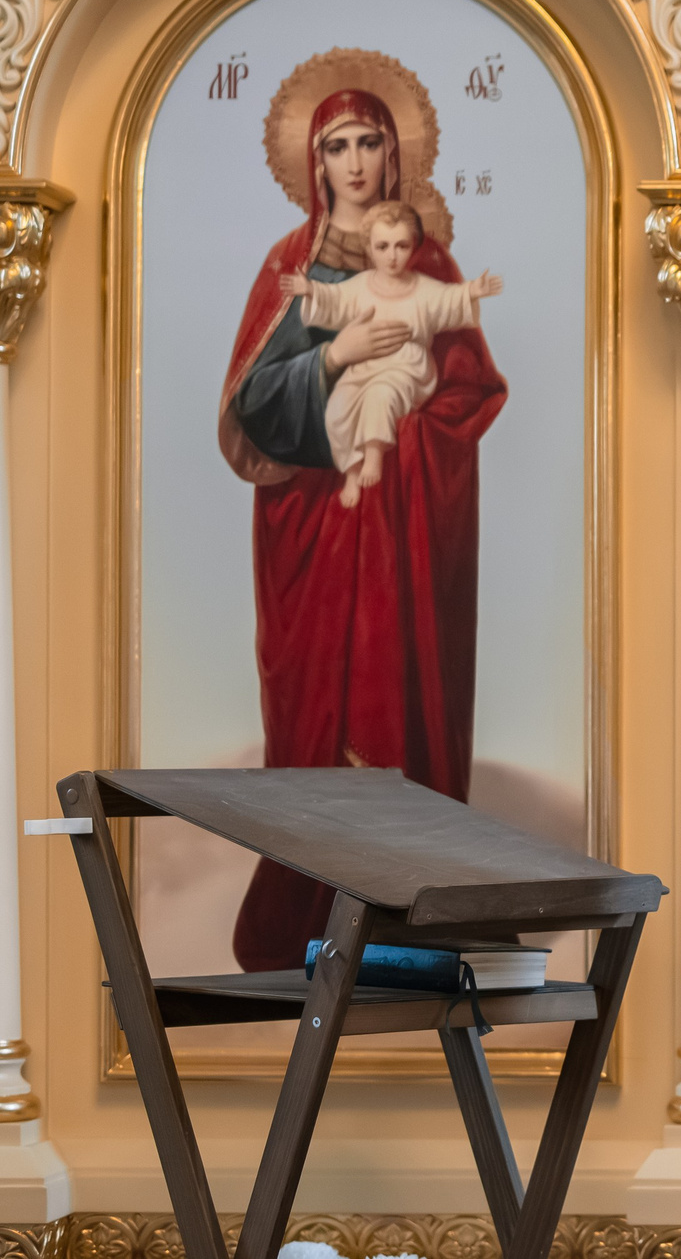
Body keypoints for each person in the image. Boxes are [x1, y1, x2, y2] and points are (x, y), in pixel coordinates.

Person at [220, 86, 507, 971]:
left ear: (394, 158)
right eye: (336, 143)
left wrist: (412, 439)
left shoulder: (437, 269)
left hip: (406, 533)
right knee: (313, 720)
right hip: (313, 536)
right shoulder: (287, 265)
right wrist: (334, 358)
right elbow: (247, 412)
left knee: (406, 705)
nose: (352, 160)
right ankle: (305, 914)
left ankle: (412, 918)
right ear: (314, 161)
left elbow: (472, 391)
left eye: (369, 142)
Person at [282, 200, 501, 506]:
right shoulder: (360, 286)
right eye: (383, 246)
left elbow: (450, 299)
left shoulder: (424, 289)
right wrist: (311, 291)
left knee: (381, 396)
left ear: (414, 248)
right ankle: (353, 471)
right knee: (337, 408)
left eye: (401, 246)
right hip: (364, 367)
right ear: (370, 249)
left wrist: (472, 290)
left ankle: (373, 456)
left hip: (407, 370)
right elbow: (334, 300)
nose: (392, 256)